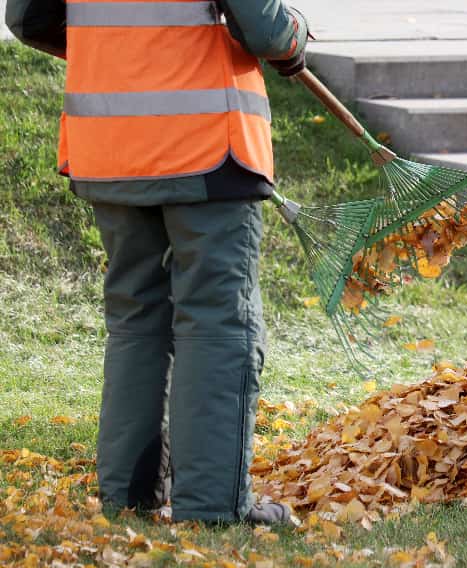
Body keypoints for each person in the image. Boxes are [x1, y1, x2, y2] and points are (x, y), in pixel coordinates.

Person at [6, 0, 310, 525]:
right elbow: (261, 27)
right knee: (218, 322)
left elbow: (27, 18)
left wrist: (121, 58)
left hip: (109, 145)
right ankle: (212, 507)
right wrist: (294, 38)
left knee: (135, 320)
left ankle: (128, 497)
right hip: (206, 145)